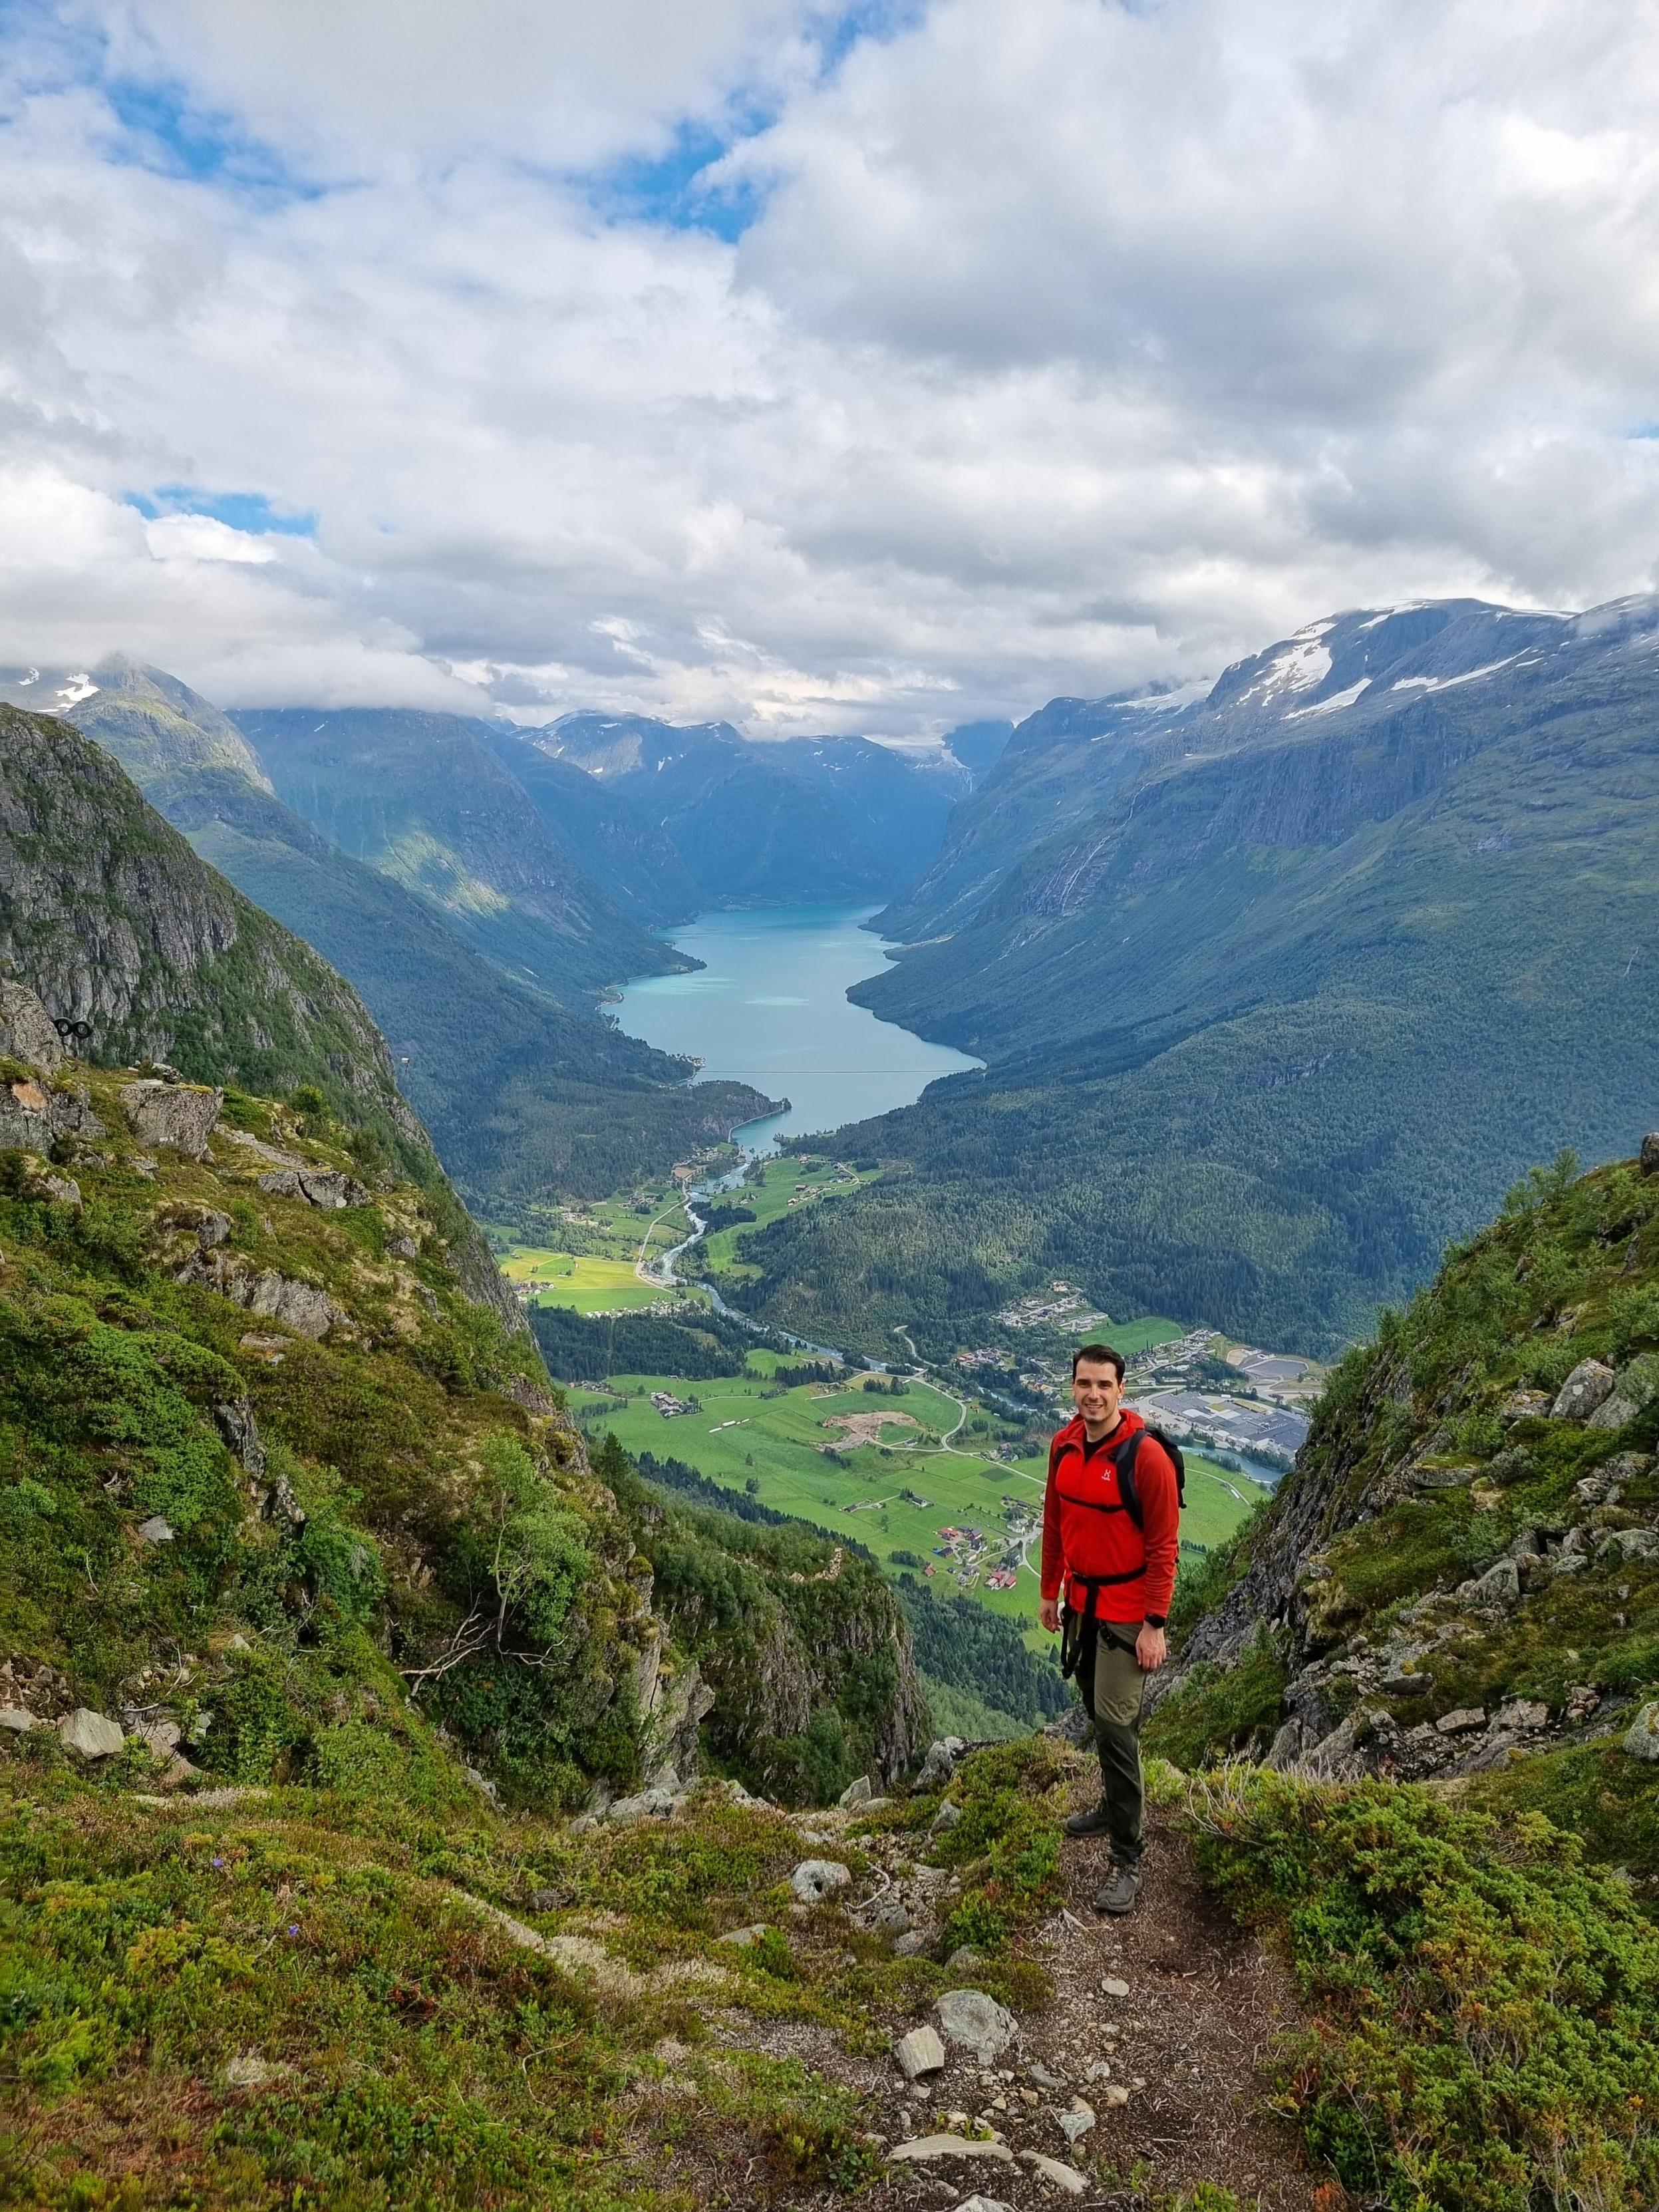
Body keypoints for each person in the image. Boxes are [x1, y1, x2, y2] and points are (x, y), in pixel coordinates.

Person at [1038, 1342, 1180, 1915]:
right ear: (1072, 1387)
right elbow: (1055, 1520)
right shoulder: (1064, 1445)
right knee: (1097, 1713)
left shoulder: (1147, 1459)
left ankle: (1128, 1854)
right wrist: (1051, 1590)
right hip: (1083, 1604)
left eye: (1103, 1384)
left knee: (1117, 1726)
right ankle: (1110, 1806)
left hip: (1127, 1612)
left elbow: (1164, 1546)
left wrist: (1155, 1624)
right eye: (1083, 1383)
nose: (1092, 1394)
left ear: (1122, 1389)